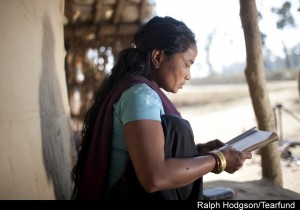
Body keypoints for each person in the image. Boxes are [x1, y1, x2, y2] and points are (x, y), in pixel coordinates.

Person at [71, 16, 252, 200]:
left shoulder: (137, 89)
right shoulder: (140, 96)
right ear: (158, 57)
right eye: (187, 64)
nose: (188, 75)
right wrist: (218, 160)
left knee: (176, 129)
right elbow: (154, 177)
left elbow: (148, 153)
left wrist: (197, 152)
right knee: (176, 127)